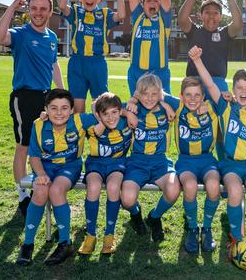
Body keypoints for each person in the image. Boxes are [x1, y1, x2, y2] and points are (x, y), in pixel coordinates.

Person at [188, 46, 246, 257]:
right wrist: (197, 61)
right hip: (231, 164)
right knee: (234, 191)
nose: (243, 92)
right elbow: (210, 84)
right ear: (233, 89)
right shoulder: (225, 107)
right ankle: (236, 238)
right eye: (239, 88)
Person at [0, 0, 64, 219]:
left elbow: (54, 64)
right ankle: (23, 195)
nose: (38, 13)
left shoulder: (52, 37)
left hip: (46, 98)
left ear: (50, 12)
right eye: (34, 8)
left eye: (43, 9)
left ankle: (42, 187)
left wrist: (61, 91)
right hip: (24, 98)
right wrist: (12, 7)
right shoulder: (21, 34)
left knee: (44, 146)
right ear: (28, 10)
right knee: (24, 146)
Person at [15, 89, 93, 266]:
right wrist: (41, 174)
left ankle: (65, 243)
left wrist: (129, 108)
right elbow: (34, 156)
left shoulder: (80, 120)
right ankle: (28, 244)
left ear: (72, 110)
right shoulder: (38, 124)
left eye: (65, 108)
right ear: (46, 110)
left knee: (57, 190)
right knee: (41, 190)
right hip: (45, 167)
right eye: (54, 108)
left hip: (69, 166)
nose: (59, 113)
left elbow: (106, 110)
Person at [161, 77, 221, 253]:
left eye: (197, 95)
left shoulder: (211, 107)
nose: (193, 99)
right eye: (188, 95)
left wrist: (223, 97)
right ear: (180, 96)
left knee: (213, 185)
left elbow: (230, 97)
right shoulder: (178, 106)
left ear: (204, 96)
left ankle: (207, 229)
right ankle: (193, 228)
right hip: (186, 161)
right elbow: (154, 90)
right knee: (189, 185)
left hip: (208, 159)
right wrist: (164, 105)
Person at [122, 74, 181, 242]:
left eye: (154, 94)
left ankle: (154, 216)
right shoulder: (134, 108)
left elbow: (187, 103)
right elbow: (100, 106)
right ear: (138, 94)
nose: (149, 98)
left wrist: (163, 102)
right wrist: (127, 112)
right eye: (144, 94)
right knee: (127, 200)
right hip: (137, 162)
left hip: (159, 161)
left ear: (160, 94)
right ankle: (135, 213)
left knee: (173, 190)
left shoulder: (167, 106)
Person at [77, 92, 137, 256]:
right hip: (95, 163)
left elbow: (132, 104)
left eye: (114, 112)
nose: (111, 118)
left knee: (113, 187)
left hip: (117, 163)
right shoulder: (90, 121)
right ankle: (90, 235)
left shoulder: (126, 120)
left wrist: (128, 112)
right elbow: (68, 117)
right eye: (105, 114)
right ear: (98, 114)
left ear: (119, 111)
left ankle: (109, 235)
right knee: (94, 187)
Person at [58, 0, 125, 113]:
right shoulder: (76, 12)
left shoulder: (105, 14)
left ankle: (98, 134)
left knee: (100, 107)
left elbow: (122, 15)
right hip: (78, 62)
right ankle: (80, 134)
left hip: (97, 63)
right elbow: (62, 5)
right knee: (78, 108)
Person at [124, 0, 174, 95]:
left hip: (159, 72)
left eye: (156, 0)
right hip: (136, 72)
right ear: (142, 3)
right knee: (136, 112)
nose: (152, 3)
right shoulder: (138, 16)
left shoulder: (163, 19)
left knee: (164, 111)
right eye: (148, 0)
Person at [178, 0, 243, 94]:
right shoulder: (194, 31)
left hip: (218, 83)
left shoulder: (224, 33)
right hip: (194, 82)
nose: (212, 16)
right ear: (200, 15)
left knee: (223, 111)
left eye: (216, 13)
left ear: (221, 17)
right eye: (207, 12)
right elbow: (182, 19)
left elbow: (238, 24)